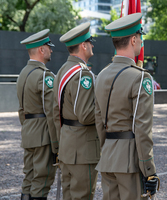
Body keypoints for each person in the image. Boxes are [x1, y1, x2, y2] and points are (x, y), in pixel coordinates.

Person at [94, 13, 159, 200]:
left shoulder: (101, 76)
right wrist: (149, 169)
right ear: (133, 39)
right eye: (140, 37)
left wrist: (106, 151)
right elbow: (143, 129)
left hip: (107, 157)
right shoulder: (140, 77)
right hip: (130, 162)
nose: (141, 41)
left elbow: (99, 122)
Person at [52, 22, 100, 199]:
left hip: (67, 146)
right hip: (83, 150)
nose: (92, 45)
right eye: (90, 41)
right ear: (83, 45)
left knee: (70, 196)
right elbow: (86, 115)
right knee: (82, 196)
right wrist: (105, 109)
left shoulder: (62, 71)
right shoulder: (82, 74)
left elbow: (54, 111)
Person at [17, 29, 58, 200]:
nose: (51, 50)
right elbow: (52, 112)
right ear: (42, 50)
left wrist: (28, 127)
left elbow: (21, 110)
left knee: (29, 178)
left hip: (29, 132)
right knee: (42, 180)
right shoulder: (44, 76)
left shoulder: (22, 74)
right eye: (49, 47)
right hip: (43, 135)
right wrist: (56, 143)